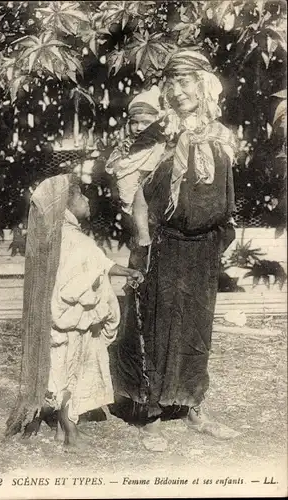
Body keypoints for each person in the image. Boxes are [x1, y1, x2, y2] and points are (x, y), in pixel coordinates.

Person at [109, 50, 239, 451]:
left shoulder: (220, 135)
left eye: (186, 82)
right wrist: (144, 244)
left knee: (196, 328)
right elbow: (138, 195)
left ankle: (192, 406)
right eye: (172, 83)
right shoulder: (158, 134)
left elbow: (223, 194)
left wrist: (223, 239)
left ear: (203, 86)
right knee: (154, 323)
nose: (179, 91)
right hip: (161, 244)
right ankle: (149, 416)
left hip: (203, 247)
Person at [5, 173, 143, 450]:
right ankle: (70, 432)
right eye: (81, 196)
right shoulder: (71, 240)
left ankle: (61, 429)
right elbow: (73, 282)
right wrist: (97, 291)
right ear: (67, 206)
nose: (87, 200)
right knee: (70, 373)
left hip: (67, 320)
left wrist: (123, 270)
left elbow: (99, 263)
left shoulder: (66, 236)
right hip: (71, 319)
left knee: (66, 370)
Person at [105, 85, 165, 217]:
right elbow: (114, 169)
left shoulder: (162, 147)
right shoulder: (124, 147)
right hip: (128, 210)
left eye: (146, 122)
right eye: (134, 123)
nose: (139, 128)